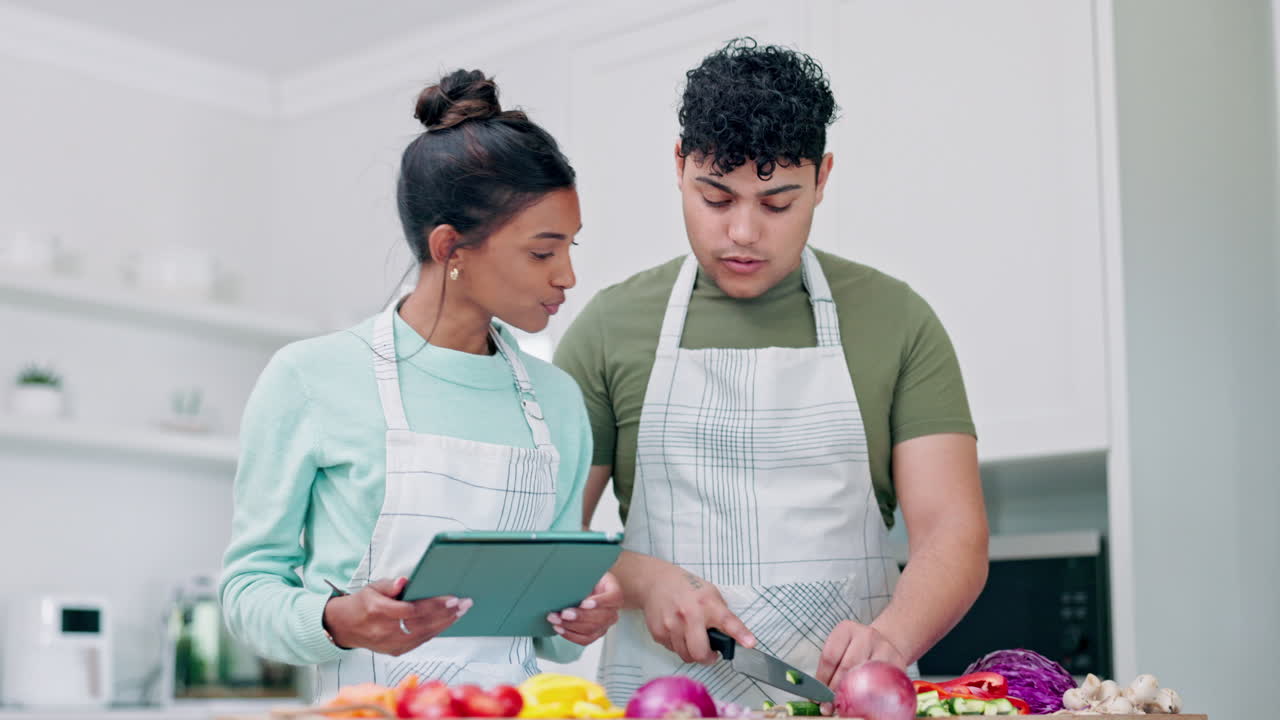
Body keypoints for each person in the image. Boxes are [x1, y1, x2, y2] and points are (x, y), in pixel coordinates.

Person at [553, 38, 988, 704]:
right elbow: (553, 538)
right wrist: (648, 580)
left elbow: (952, 531)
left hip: (850, 704)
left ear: (823, 178)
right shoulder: (609, 329)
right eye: (716, 199)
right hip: (659, 701)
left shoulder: (899, 321)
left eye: (778, 203)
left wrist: (893, 638)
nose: (744, 233)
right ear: (679, 167)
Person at [220, 69, 620, 698]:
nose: (568, 275)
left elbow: (545, 628)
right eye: (543, 253)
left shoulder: (558, 402)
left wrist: (580, 616)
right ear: (451, 248)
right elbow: (248, 591)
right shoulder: (310, 378)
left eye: (570, 247)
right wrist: (336, 619)